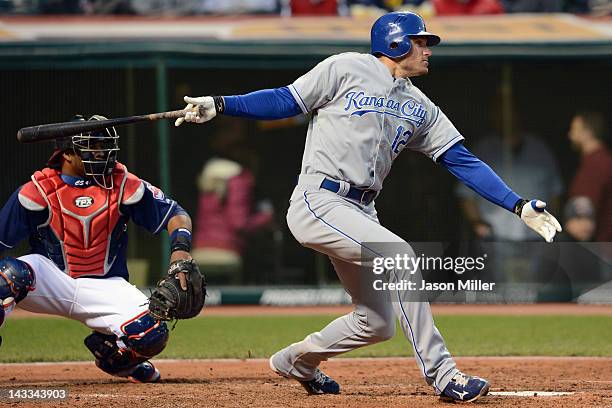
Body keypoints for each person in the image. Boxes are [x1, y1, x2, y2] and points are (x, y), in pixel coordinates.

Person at [175, 12, 561, 402]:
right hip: (318, 199)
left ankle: (297, 361)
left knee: (375, 323)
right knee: (401, 256)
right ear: (395, 42)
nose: (428, 49)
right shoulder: (346, 68)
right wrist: (221, 104)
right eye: (421, 41)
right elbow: (285, 99)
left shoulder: (420, 105)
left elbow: (461, 159)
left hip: (360, 211)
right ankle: (444, 375)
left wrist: (518, 205)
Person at [0, 114, 195, 382]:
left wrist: (180, 250)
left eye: (104, 145)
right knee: (8, 275)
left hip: (106, 285)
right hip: (50, 279)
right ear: (67, 154)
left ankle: (119, 360)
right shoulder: (38, 190)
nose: (101, 152)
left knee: (152, 333)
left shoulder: (123, 182)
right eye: (92, 146)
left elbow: (176, 214)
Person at [192, 118, 275, 283]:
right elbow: (239, 224)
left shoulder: (209, 173)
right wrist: (265, 217)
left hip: (200, 247)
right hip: (227, 250)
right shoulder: (238, 178)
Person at [567, 111, 612, 242]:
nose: (570, 135)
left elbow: (583, 226)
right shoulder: (600, 162)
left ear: (587, 133)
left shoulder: (596, 165)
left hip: (602, 250)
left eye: (574, 130)